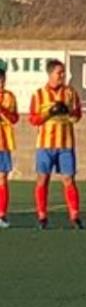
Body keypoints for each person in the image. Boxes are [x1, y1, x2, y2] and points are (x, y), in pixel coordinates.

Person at [29, 59, 83, 229]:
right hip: (45, 144)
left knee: (68, 179)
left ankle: (74, 216)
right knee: (42, 179)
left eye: (63, 73)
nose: (62, 76)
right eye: (59, 73)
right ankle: (42, 216)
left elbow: (77, 116)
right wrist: (49, 113)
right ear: (50, 74)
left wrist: (69, 111)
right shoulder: (39, 94)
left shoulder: (70, 93)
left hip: (65, 143)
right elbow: (33, 119)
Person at [0, 67, 19, 229]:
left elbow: (14, 118)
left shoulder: (9, 97)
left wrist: (2, 111)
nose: (1, 83)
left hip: (3, 143)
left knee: (2, 178)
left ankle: (1, 215)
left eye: (2, 79)